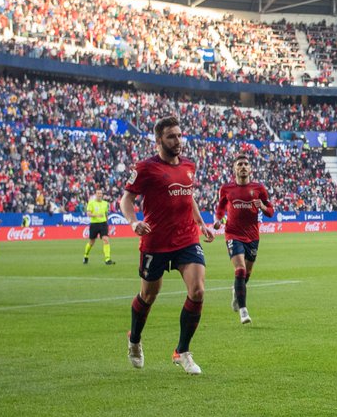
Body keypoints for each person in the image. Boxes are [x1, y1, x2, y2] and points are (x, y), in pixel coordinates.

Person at [120, 116, 215, 375]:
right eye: (171, 136)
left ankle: (182, 351)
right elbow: (126, 200)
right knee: (148, 296)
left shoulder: (188, 165)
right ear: (159, 139)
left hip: (186, 239)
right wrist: (132, 222)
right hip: (156, 241)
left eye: (179, 135)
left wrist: (201, 223)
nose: (178, 141)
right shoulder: (146, 168)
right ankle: (135, 340)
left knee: (198, 291)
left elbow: (188, 195)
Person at [213, 155, 274, 325]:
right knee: (239, 269)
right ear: (234, 169)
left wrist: (261, 206)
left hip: (253, 236)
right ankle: (243, 310)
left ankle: (236, 290)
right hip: (233, 233)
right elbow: (220, 209)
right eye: (239, 164)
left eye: (246, 164)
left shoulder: (259, 188)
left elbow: (270, 211)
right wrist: (218, 220)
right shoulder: (226, 189)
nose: (243, 167)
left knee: (246, 274)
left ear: (250, 169)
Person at [83, 187, 115, 266]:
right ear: (95, 195)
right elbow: (88, 213)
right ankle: (85, 256)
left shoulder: (105, 203)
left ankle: (107, 259)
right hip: (94, 224)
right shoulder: (91, 203)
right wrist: (96, 215)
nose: (99, 195)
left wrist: (107, 222)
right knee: (91, 242)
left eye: (101, 193)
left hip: (103, 224)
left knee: (106, 239)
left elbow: (106, 214)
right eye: (98, 193)